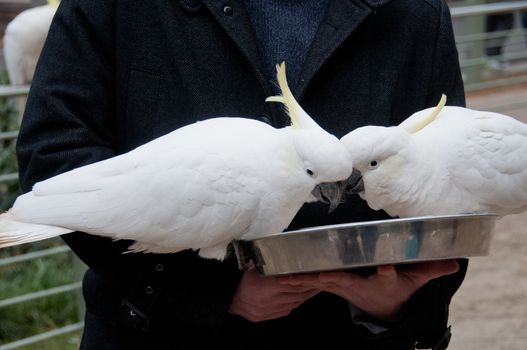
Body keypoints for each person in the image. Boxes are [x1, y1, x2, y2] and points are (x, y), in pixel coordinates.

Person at [16, 0, 467, 349]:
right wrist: (204, 293)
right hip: (155, 333)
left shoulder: (416, 14)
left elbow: (454, 188)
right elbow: (55, 150)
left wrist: (399, 304)